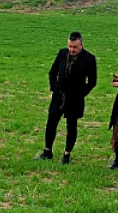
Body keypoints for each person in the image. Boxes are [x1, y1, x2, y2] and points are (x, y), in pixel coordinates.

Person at [35, 31, 97, 165]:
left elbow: (92, 82)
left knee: (71, 126)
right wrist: (54, 87)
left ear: (81, 45)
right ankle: (47, 151)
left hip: (75, 98)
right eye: (70, 46)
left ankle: (67, 154)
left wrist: (81, 93)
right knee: (51, 123)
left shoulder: (89, 59)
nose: (72, 50)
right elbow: (53, 72)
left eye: (75, 47)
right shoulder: (62, 53)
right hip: (59, 96)